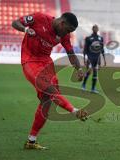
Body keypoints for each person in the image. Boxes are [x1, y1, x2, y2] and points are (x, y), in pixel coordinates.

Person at [12, 12, 88, 150]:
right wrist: (25, 29)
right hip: (30, 60)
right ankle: (74, 110)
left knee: (47, 100)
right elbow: (15, 22)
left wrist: (79, 69)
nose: (68, 33)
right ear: (62, 23)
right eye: (68, 30)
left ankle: (31, 141)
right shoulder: (40, 18)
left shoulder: (64, 35)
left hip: (46, 63)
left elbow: (70, 53)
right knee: (49, 90)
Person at [82, 24, 106, 93]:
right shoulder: (88, 38)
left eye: (97, 28)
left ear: (98, 29)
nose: (96, 29)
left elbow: (102, 49)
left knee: (95, 72)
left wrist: (104, 59)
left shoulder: (100, 38)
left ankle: (93, 88)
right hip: (90, 57)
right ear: (92, 29)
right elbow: (85, 49)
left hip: (97, 58)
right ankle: (83, 85)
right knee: (89, 71)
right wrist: (84, 58)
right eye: (94, 28)